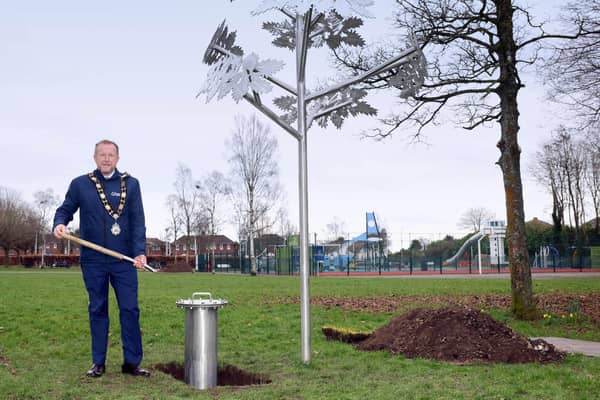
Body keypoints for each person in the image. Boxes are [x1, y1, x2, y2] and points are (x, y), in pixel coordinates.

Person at [53, 139, 150, 378]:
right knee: (97, 308)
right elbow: (65, 209)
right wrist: (60, 223)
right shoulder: (80, 184)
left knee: (129, 309)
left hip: (124, 260)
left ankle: (132, 363)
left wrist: (139, 251)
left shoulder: (132, 184)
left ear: (118, 158)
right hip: (93, 260)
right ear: (95, 157)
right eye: (102, 155)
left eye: (111, 155)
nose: (106, 159)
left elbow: (138, 220)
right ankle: (98, 363)